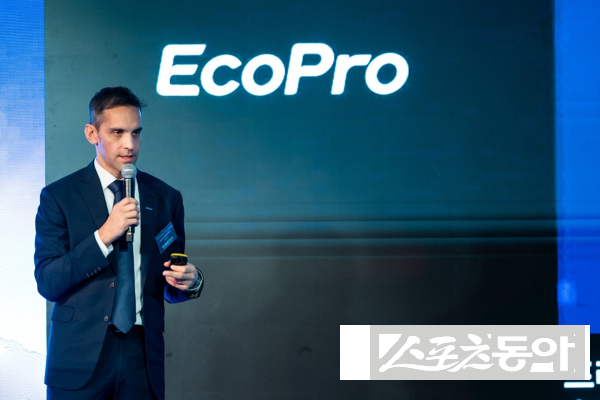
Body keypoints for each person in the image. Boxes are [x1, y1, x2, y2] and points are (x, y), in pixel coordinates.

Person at [34, 86, 203, 400]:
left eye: (136, 133)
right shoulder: (59, 196)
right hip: (78, 358)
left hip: (142, 357)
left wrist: (189, 282)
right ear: (92, 133)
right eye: (117, 132)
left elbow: (167, 283)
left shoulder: (166, 197)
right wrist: (103, 236)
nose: (130, 144)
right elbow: (48, 282)